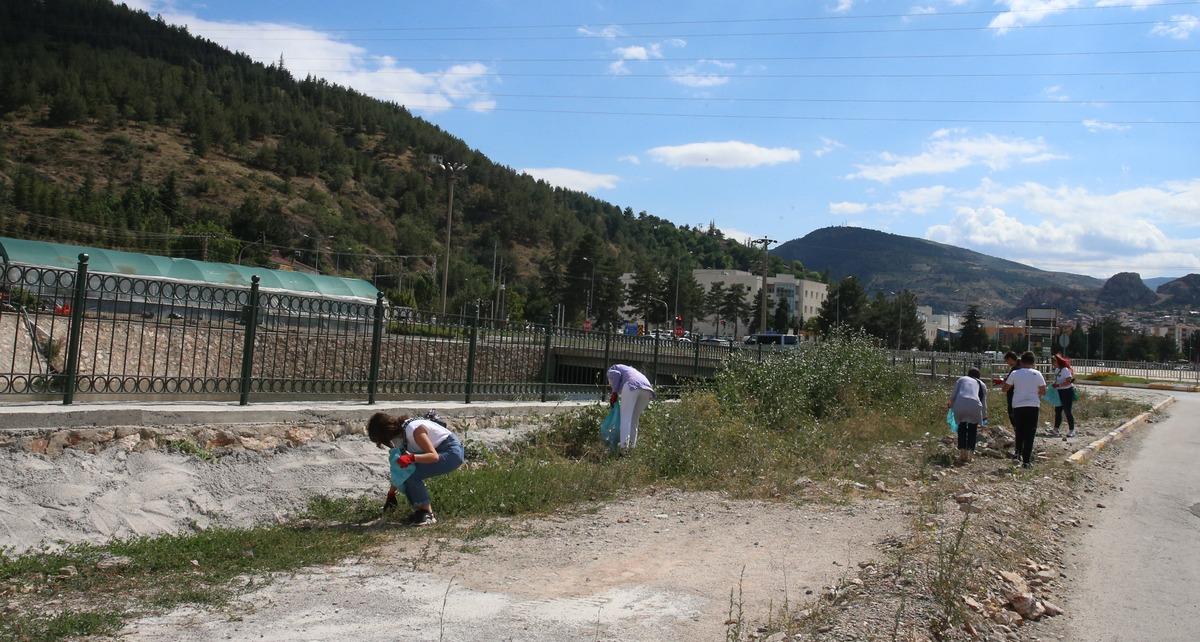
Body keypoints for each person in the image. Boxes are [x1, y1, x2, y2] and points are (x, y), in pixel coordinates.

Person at [368, 412, 465, 526]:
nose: (389, 444)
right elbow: (400, 471)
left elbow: (433, 457)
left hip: (451, 453)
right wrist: (391, 494)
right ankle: (420, 511)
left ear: (387, 433)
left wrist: (411, 458)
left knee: (411, 474)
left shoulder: (413, 430)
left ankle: (426, 514)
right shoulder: (402, 434)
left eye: (385, 441)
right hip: (443, 451)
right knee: (408, 473)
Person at [1002, 352, 1047, 469]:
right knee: (1030, 433)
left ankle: (1017, 454)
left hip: (1017, 406)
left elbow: (1005, 389)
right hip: (1033, 406)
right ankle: (1026, 461)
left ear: (1021, 362)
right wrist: (1035, 395)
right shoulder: (1038, 374)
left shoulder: (1015, 373)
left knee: (1019, 430)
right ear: (1033, 363)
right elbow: (1043, 390)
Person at [606, 363, 655, 449]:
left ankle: (623, 448)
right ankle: (632, 448)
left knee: (625, 418)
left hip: (632, 385)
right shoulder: (630, 370)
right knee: (634, 419)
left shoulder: (610, 371)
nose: (610, 384)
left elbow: (617, 375)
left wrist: (614, 392)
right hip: (647, 389)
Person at [947, 367, 988, 465]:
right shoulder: (982, 384)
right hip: (975, 406)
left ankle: (962, 454)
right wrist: (984, 416)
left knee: (961, 428)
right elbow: (983, 401)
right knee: (972, 430)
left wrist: (950, 405)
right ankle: (969, 455)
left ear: (968, 374)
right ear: (979, 376)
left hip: (960, 405)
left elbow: (954, 395)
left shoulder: (962, 379)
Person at [992, 351, 1020, 459]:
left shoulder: (1015, 369)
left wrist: (1003, 384)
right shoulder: (1018, 368)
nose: (1007, 363)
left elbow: (1009, 384)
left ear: (1011, 359)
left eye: (1007, 360)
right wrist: (1002, 381)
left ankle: (1018, 443)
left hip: (1013, 397)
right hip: (1016, 397)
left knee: (1015, 420)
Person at [1052, 353, 1077, 438]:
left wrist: (1058, 385)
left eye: (1054, 362)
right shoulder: (1057, 370)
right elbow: (1057, 380)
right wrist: (1054, 384)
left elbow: (1068, 381)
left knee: (1067, 411)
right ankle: (1056, 429)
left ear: (1058, 362)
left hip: (1067, 392)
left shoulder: (1065, 370)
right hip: (1059, 392)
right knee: (1058, 411)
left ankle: (1072, 430)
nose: (1053, 364)